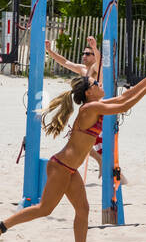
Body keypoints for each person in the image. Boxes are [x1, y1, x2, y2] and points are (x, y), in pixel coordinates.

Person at [0, 72, 146, 242]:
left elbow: (123, 98)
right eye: (95, 83)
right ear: (90, 92)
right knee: (44, 209)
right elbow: (123, 106)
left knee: (83, 210)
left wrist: (145, 81)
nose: (99, 84)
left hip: (69, 169)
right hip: (60, 167)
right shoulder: (90, 108)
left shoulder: (95, 105)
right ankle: (0, 227)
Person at [45, 35, 128, 185]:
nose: (84, 56)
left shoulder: (96, 68)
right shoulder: (83, 70)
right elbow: (65, 62)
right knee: (85, 142)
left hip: (101, 109)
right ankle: (115, 174)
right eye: (83, 53)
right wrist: (50, 52)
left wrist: (95, 48)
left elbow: (101, 61)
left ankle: (119, 177)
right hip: (92, 110)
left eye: (87, 54)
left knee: (97, 146)